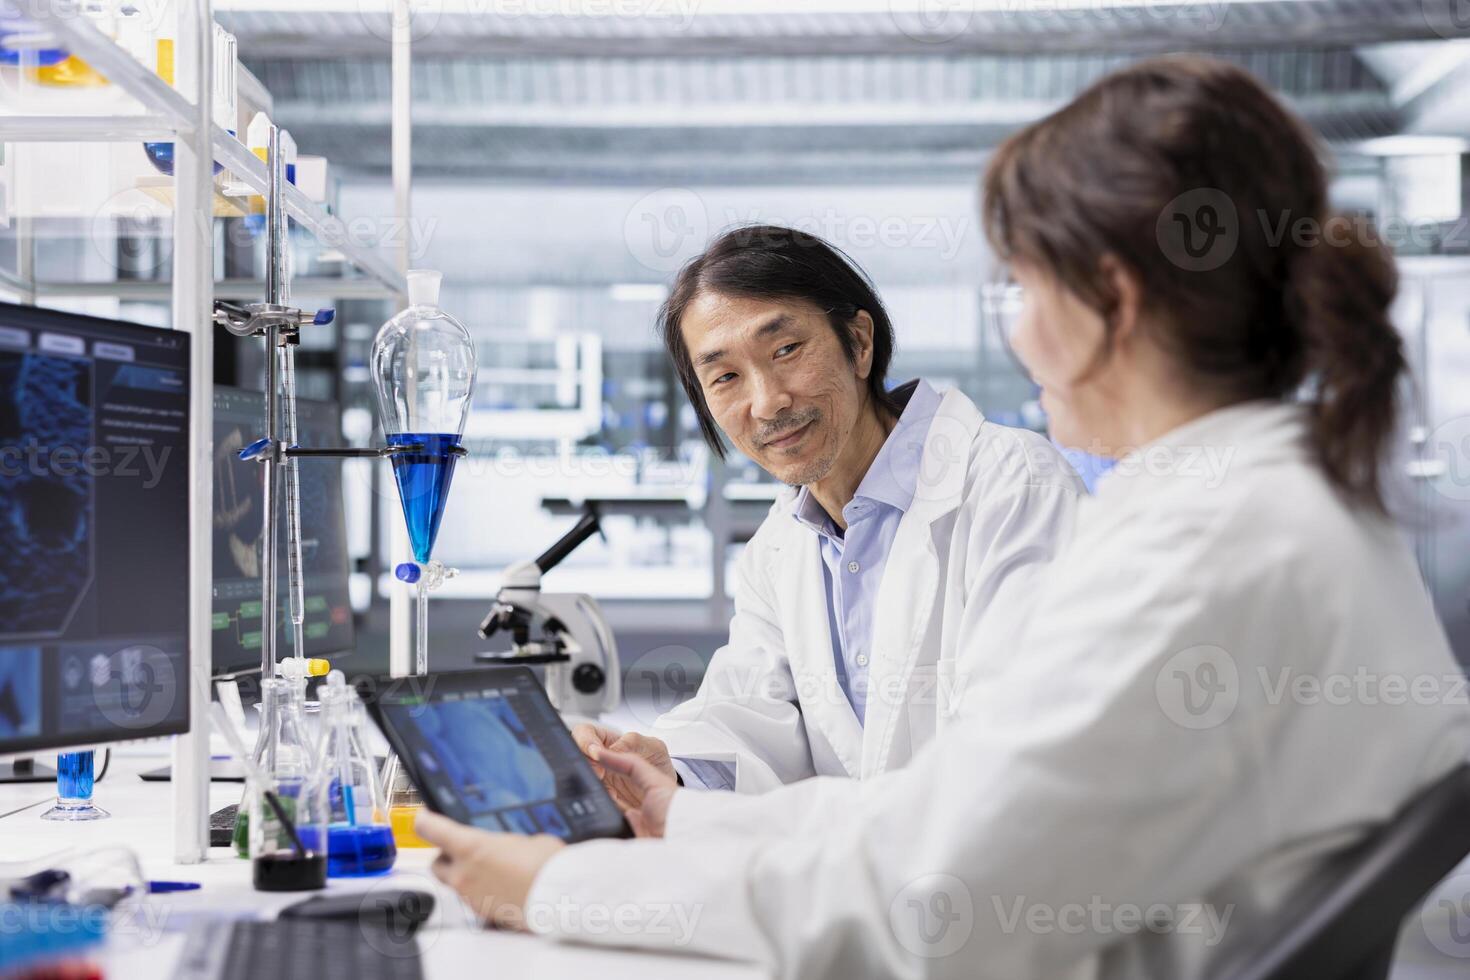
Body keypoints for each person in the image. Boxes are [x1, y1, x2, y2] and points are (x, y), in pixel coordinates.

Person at [416, 55, 1470, 979]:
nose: (1016, 329)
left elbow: (931, 897)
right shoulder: (1267, 499)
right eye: (724, 374)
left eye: (1020, 284)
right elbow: (944, 812)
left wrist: (559, 887)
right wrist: (680, 808)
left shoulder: (1209, 538)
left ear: (1110, 298)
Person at [571, 225, 1084, 800]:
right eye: (726, 377)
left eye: (786, 350)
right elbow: (752, 715)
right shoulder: (779, 546)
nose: (767, 403)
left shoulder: (1014, 486)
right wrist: (666, 769)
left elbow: (1020, 752)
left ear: (859, 343)